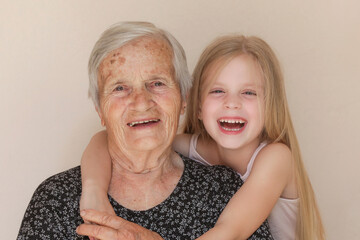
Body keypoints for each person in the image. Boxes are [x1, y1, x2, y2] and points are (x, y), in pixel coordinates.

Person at [17, 22, 272, 240]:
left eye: (157, 83)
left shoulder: (225, 191)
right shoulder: (55, 199)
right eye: (120, 88)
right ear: (100, 110)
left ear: (184, 98)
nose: (141, 102)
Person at [80, 34, 326, 239]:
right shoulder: (199, 147)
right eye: (218, 91)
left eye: (249, 92)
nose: (232, 103)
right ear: (195, 105)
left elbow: (230, 232)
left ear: (271, 105)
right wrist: (93, 191)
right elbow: (104, 140)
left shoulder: (276, 158)